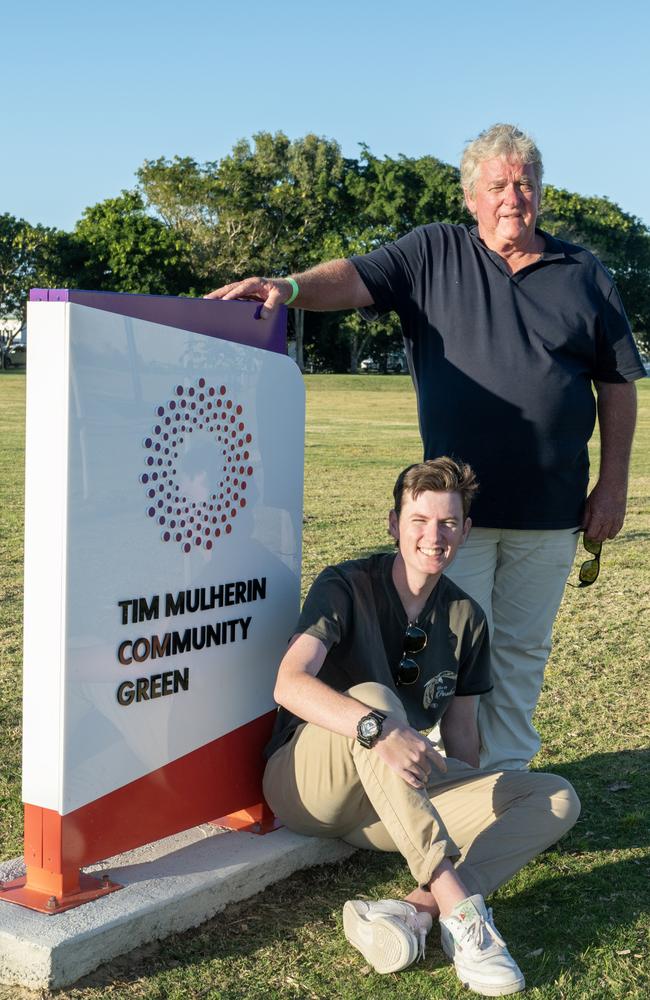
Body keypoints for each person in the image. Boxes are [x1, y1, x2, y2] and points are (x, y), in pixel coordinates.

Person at [207, 123, 646, 772]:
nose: (512, 196)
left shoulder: (583, 273)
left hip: (550, 510)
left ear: (541, 193)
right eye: (497, 184)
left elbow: (616, 385)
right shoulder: (432, 254)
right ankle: (436, 778)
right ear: (471, 197)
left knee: (521, 650)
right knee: (441, 648)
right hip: (451, 516)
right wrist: (289, 289)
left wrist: (612, 487)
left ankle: (506, 781)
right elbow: (352, 279)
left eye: (525, 183)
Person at [262, 458, 580, 997]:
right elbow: (289, 683)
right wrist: (375, 727)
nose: (434, 536)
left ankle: (415, 912)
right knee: (375, 701)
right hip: (309, 787)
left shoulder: (466, 617)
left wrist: (474, 802)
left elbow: (461, 738)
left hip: (393, 804)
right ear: (393, 523)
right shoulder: (344, 584)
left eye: (448, 523)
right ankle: (462, 911)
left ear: (466, 531)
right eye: (419, 520)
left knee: (555, 796)